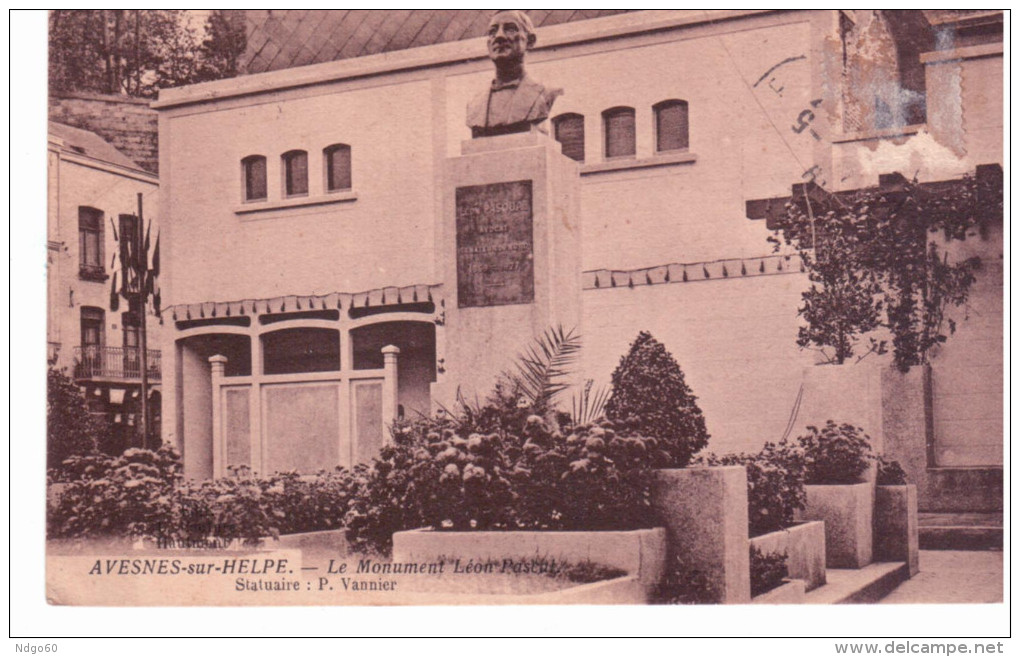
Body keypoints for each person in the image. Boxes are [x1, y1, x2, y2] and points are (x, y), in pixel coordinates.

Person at [467, 10, 562, 137]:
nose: (499, 36)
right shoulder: (474, 105)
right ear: (488, 44)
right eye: (492, 32)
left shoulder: (544, 94)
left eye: (510, 29)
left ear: (530, 41)